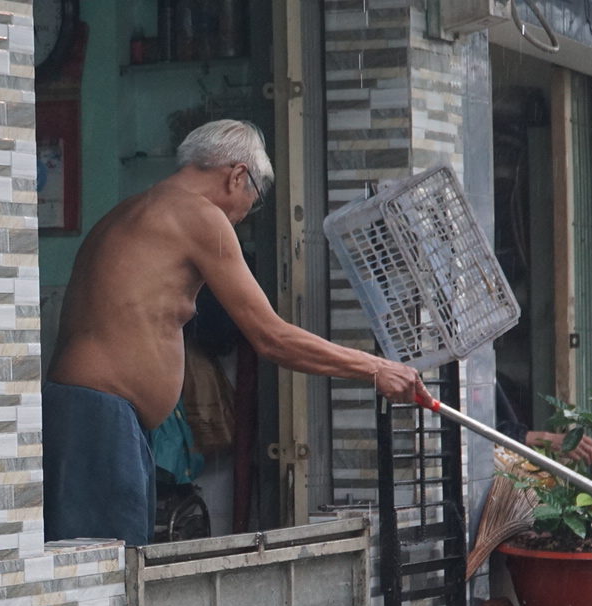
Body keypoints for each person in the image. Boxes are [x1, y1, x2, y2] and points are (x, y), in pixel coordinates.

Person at [44, 119, 429, 547]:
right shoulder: (199, 216)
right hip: (98, 417)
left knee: (101, 574)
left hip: (93, 413)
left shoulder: (132, 209)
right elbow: (271, 337)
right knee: (99, 581)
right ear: (238, 175)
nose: (245, 216)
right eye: (255, 200)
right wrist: (376, 368)